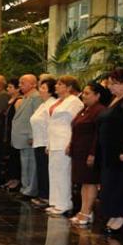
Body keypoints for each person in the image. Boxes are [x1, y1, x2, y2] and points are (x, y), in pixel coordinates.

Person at [97, 69, 123, 234]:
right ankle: (113, 213)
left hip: (120, 150)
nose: (111, 87)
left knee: (120, 183)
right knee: (109, 183)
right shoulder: (114, 100)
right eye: (110, 83)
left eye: (115, 83)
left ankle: (122, 215)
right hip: (108, 150)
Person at [68, 82, 109, 226]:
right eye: (83, 93)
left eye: (87, 93)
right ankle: (83, 210)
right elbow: (76, 128)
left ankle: (87, 211)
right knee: (83, 183)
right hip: (79, 151)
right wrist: (71, 144)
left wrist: (93, 153)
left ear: (97, 95)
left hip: (89, 152)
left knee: (90, 182)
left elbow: (97, 135)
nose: (83, 96)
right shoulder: (85, 110)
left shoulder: (99, 110)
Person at [46, 75, 84, 216]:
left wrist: (71, 142)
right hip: (54, 140)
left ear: (69, 87)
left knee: (63, 173)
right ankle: (55, 201)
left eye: (60, 84)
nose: (56, 86)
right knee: (54, 172)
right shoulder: (58, 101)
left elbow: (75, 124)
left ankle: (64, 203)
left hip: (64, 139)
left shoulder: (74, 102)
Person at [29, 77, 58, 208]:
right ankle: (42, 194)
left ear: (51, 91)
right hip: (38, 141)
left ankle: (46, 196)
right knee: (41, 170)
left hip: (46, 142)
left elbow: (50, 125)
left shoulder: (52, 104)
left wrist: (48, 143)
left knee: (45, 171)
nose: (40, 90)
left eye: (43, 88)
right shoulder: (43, 104)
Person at [11, 75, 40, 198]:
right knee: (25, 163)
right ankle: (24, 187)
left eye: (23, 83)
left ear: (33, 84)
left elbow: (35, 118)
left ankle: (30, 189)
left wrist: (32, 135)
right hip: (21, 137)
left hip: (28, 136)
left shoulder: (36, 98)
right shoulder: (26, 97)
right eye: (20, 82)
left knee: (31, 164)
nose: (20, 85)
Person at [0, 77, 22, 191]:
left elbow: (18, 118)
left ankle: (16, 180)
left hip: (13, 132)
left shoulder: (19, 100)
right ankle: (10, 178)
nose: (8, 89)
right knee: (8, 156)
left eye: (10, 87)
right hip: (6, 131)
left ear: (18, 89)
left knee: (14, 156)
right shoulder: (9, 100)